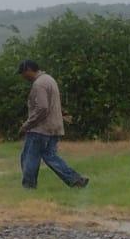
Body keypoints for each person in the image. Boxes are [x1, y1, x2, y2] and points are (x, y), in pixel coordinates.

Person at [17, 60, 88, 189]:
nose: (23, 77)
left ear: (28, 69)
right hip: (54, 127)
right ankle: (75, 180)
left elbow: (42, 108)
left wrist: (27, 125)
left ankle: (28, 187)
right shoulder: (49, 79)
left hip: (40, 129)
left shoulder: (39, 84)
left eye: (23, 73)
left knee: (29, 158)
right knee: (50, 157)